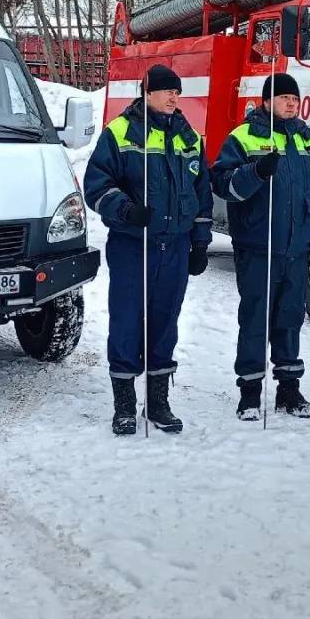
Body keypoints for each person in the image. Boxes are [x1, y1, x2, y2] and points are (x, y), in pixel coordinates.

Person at [83, 64, 213, 434]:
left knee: (165, 323)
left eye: (178, 92)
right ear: (148, 93)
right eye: (167, 91)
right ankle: (124, 404)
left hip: (173, 247)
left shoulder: (189, 137)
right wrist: (124, 208)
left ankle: (158, 403)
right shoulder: (122, 133)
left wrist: (200, 243)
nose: (174, 98)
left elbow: (201, 193)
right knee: (126, 321)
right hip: (132, 245)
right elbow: (96, 184)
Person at [212, 73, 310, 420]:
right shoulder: (244, 137)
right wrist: (257, 172)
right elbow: (223, 185)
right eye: (285, 98)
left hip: (296, 249)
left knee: (290, 320)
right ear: (266, 101)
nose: (292, 103)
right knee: (256, 321)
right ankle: (249, 394)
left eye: (295, 99)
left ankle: (289, 392)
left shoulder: (307, 139)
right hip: (258, 247)